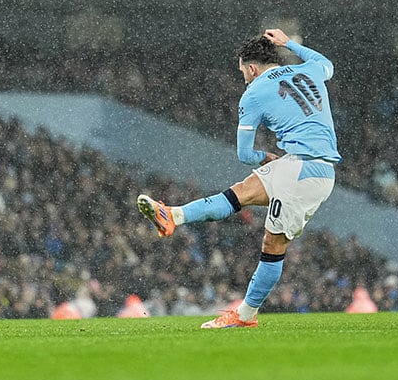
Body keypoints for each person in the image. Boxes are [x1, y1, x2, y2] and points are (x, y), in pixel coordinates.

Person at [137, 28, 340, 328]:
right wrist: (289, 43)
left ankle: (246, 315)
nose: (244, 78)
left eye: (243, 71)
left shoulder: (254, 93)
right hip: (305, 165)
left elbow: (245, 154)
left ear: (252, 68)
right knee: (239, 193)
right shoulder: (309, 69)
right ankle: (173, 216)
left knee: (273, 245)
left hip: (303, 171)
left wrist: (264, 156)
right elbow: (327, 65)